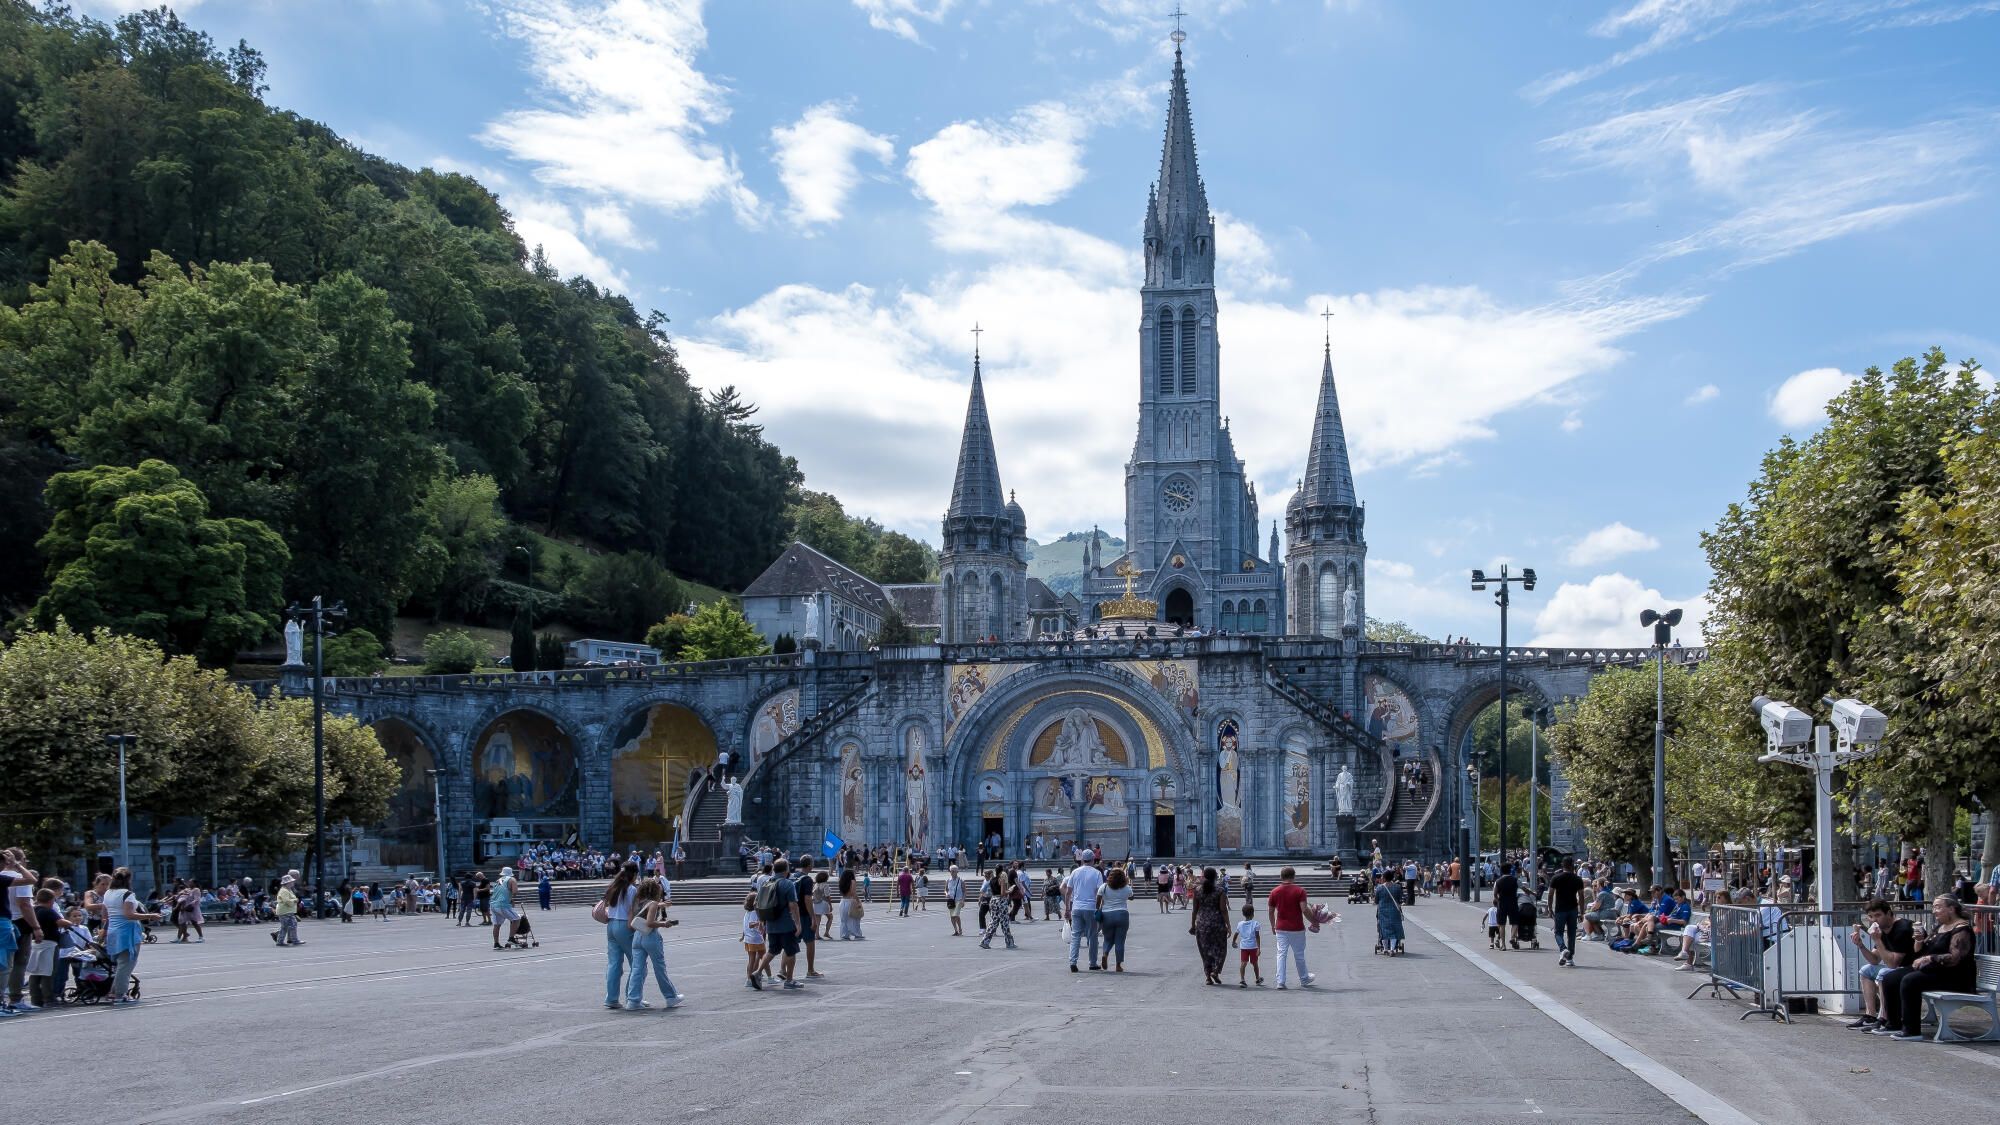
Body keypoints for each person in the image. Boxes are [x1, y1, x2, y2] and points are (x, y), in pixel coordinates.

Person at [1875, 893, 1978, 1040]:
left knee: (1910, 980)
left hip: (1955, 977)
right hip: (1935, 972)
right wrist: (1919, 941)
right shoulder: (1940, 927)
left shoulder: (1962, 930)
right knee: (1890, 977)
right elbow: (1921, 952)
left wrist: (1930, 958)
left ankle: (1912, 1030)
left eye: (1938, 907)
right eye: (1934, 907)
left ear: (1951, 909)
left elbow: (1955, 958)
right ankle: (1893, 1023)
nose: (1934, 911)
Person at [1843, 898, 1915, 1028]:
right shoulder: (1881, 930)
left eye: (1878, 915)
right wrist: (1861, 945)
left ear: (1888, 913)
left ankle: (1884, 1017)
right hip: (1895, 969)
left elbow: (1893, 964)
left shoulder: (1902, 929)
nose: (1874, 920)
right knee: (1866, 970)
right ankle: (1870, 1015)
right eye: (1870, 916)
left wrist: (1878, 940)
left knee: (1884, 972)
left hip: (1909, 969)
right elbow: (1874, 959)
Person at [624, 877, 683, 1011]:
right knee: (659, 967)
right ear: (655, 890)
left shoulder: (636, 901)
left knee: (637, 969)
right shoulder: (653, 903)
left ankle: (633, 1000)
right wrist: (664, 923)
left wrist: (662, 905)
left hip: (637, 936)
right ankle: (670, 997)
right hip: (650, 936)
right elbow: (650, 922)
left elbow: (645, 910)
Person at [102, 867, 156, 1007]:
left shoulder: (108, 893)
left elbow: (105, 914)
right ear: (128, 879)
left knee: (120, 965)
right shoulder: (128, 894)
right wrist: (150, 915)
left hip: (114, 931)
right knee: (126, 965)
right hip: (127, 932)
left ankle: (113, 992)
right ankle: (119, 995)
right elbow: (129, 914)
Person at [757, 858, 805, 990]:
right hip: (786, 924)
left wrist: (762, 922)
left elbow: (760, 904)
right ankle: (789, 980)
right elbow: (793, 906)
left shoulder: (767, 882)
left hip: (771, 923)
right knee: (791, 951)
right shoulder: (787, 884)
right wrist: (798, 924)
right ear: (786, 870)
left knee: (773, 950)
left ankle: (757, 972)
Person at [600, 861, 641, 1011]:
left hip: (611, 925)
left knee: (614, 964)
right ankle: (633, 997)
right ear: (634, 874)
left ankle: (611, 998)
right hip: (624, 926)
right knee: (637, 963)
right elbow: (632, 910)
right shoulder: (631, 889)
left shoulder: (613, 887)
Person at [1267, 866, 1315, 989]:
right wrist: (1314, 921)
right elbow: (1304, 909)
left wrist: (1273, 925)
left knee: (1281, 954)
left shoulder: (1274, 891)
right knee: (1299, 954)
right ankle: (1304, 979)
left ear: (1281, 877)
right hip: (1297, 928)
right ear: (1294, 876)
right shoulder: (1300, 891)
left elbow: (1271, 911)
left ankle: (1280, 982)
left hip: (1281, 927)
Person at [1063, 855, 1105, 972]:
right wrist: (1100, 908)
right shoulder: (1097, 873)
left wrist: (1067, 909)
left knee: (1075, 935)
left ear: (1082, 860)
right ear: (1093, 860)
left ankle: (1073, 961)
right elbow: (1099, 892)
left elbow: (1068, 892)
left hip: (1076, 907)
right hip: (1091, 907)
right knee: (1092, 936)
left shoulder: (1075, 872)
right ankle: (1092, 963)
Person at [1189, 867, 1230, 985]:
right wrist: (1228, 925)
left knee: (1205, 950)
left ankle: (1208, 976)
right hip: (1217, 923)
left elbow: (1194, 910)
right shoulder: (1220, 890)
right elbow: (1223, 910)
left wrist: (1193, 925)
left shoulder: (1197, 890)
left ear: (1204, 876)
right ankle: (1216, 971)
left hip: (1202, 924)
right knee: (1220, 948)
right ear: (1215, 877)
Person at [1548, 857, 1584, 967]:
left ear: (1562, 865)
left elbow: (1550, 894)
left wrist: (1550, 908)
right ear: (1572, 865)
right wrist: (1581, 912)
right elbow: (1581, 896)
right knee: (1571, 933)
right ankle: (1570, 958)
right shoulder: (1577, 879)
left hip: (1560, 909)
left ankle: (1563, 949)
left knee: (1558, 932)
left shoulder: (1556, 878)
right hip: (1573, 909)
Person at [1097, 865, 1132, 971]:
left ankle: (1105, 954)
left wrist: (1097, 910)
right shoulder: (1126, 888)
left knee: (1107, 939)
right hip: (1122, 914)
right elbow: (1132, 897)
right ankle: (1118, 965)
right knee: (1120, 940)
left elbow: (1098, 900)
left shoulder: (1104, 886)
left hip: (1107, 914)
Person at [794, 858, 823, 979]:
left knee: (791, 943)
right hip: (804, 915)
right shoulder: (807, 880)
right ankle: (810, 970)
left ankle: (783, 970)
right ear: (810, 865)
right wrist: (813, 917)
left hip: (794, 914)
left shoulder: (794, 876)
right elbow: (807, 899)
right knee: (810, 942)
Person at [978, 868, 1016, 950]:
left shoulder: (992, 880)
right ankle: (1009, 943)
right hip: (1001, 901)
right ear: (1002, 871)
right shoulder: (1001, 879)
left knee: (993, 921)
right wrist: (1010, 890)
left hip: (993, 900)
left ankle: (985, 941)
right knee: (1004, 922)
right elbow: (1003, 893)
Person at [1373, 871, 1406, 955]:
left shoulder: (1379, 888)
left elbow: (1376, 900)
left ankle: (1385, 949)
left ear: (1384, 878)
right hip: (1394, 910)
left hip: (1383, 911)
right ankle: (1392, 949)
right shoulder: (1397, 887)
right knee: (1394, 929)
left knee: (1384, 929)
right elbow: (1400, 899)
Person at [490, 867, 522, 950]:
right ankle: (511, 938)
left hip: (493, 904)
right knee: (516, 919)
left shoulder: (498, 880)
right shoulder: (512, 879)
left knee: (497, 924)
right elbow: (515, 891)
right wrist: (511, 898)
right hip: (503, 904)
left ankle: (496, 943)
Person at [740, 892, 766, 991]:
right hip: (755, 938)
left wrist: (743, 936)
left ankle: (750, 978)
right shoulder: (755, 913)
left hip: (748, 938)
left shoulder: (747, 912)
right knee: (762, 956)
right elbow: (751, 925)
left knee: (753, 958)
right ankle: (754, 976)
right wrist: (760, 922)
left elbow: (745, 926)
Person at [1233, 902, 1263, 987]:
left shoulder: (1240, 924)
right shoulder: (1255, 923)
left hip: (1244, 947)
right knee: (1255, 963)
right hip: (1253, 947)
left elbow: (1236, 934)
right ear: (1253, 913)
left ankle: (1242, 980)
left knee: (1243, 963)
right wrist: (1258, 948)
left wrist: (1233, 942)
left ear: (1243, 914)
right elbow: (1257, 936)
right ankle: (1257, 979)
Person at [272, 873, 302, 946]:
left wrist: (294, 900)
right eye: (291, 881)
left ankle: (283, 941)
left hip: (287, 911)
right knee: (289, 926)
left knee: (288, 926)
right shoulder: (284, 891)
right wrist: (295, 900)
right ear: (288, 883)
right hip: (285, 911)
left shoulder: (287, 890)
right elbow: (287, 901)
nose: (293, 882)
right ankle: (290, 940)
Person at [946, 864, 966, 936]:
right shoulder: (948, 880)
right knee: (952, 916)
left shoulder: (961, 880)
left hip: (959, 899)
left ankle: (960, 928)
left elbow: (964, 891)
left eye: (954, 871)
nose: (952, 872)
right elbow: (945, 890)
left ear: (957, 872)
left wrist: (963, 900)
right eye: (951, 871)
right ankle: (955, 930)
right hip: (951, 900)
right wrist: (946, 893)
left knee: (956, 914)